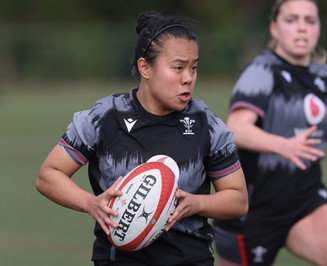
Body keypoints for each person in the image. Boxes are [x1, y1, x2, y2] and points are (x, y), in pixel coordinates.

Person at [35, 11, 248, 266]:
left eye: (194, 67)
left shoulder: (207, 125)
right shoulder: (105, 117)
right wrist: (90, 203)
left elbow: (238, 199)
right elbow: (48, 175)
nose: (188, 78)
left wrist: (197, 203)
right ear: (145, 67)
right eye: (178, 67)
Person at [213, 0, 327, 265]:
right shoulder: (261, 71)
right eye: (292, 20)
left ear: (319, 28)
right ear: (274, 28)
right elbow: (236, 128)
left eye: (309, 21)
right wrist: (283, 145)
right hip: (252, 209)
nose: (302, 28)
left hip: (305, 201)